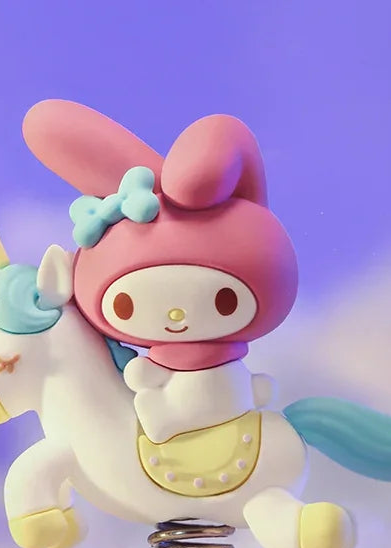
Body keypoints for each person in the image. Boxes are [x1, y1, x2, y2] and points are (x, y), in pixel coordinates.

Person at [22, 100, 297, 443]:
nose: (177, 317)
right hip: (197, 406)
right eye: (126, 305)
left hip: (234, 403)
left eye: (224, 301)